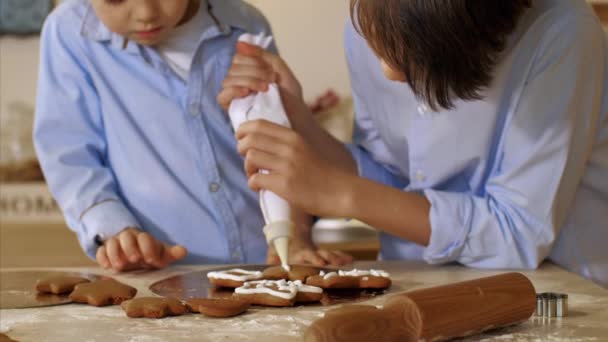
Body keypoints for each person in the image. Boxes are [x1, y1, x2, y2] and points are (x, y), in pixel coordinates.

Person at [219, 0, 608, 286]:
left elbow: (518, 234)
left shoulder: (562, 33)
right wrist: (300, 122)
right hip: (418, 286)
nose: (387, 72)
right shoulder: (368, 21)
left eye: (413, 61)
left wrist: (342, 194)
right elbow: (391, 180)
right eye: (380, 49)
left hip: (551, 295)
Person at [34, 0, 352, 272]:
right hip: (160, 270)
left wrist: (296, 235)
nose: (145, 12)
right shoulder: (69, 33)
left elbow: (279, 140)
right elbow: (69, 152)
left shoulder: (245, 25)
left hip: (265, 260)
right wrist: (116, 230)